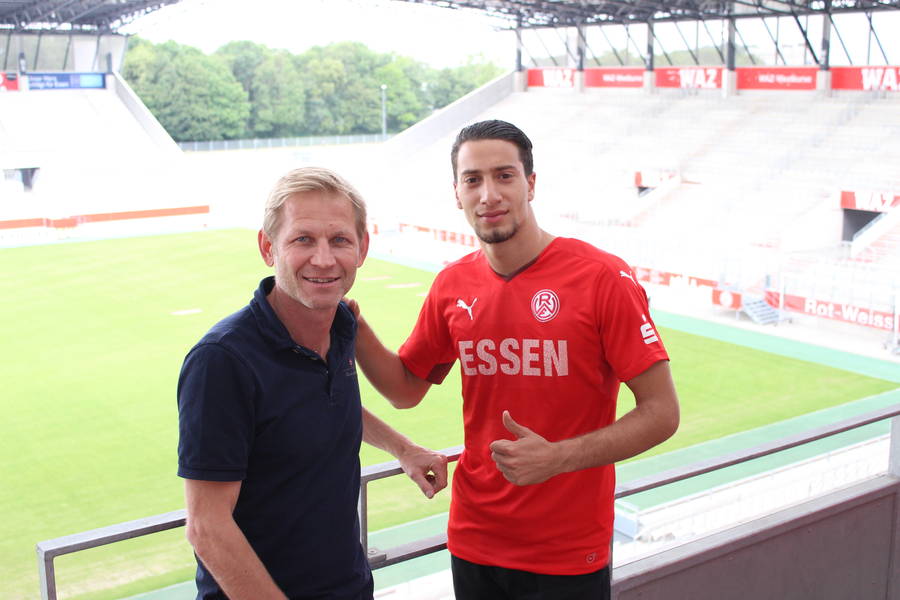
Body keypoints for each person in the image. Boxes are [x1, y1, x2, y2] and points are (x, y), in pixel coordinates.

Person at [351, 120, 680, 599]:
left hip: (566, 551)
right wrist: (354, 328)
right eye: (473, 180)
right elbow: (405, 389)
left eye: (504, 176)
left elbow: (662, 412)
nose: (489, 194)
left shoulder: (601, 278)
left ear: (530, 183)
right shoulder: (452, 285)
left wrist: (557, 458)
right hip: (473, 539)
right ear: (457, 193)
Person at [176, 166, 449, 600]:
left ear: (362, 248)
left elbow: (322, 401)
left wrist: (403, 448)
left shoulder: (342, 322)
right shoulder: (222, 362)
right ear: (269, 248)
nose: (323, 259)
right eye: (303, 239)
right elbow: (207, 527)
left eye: (339, 240)